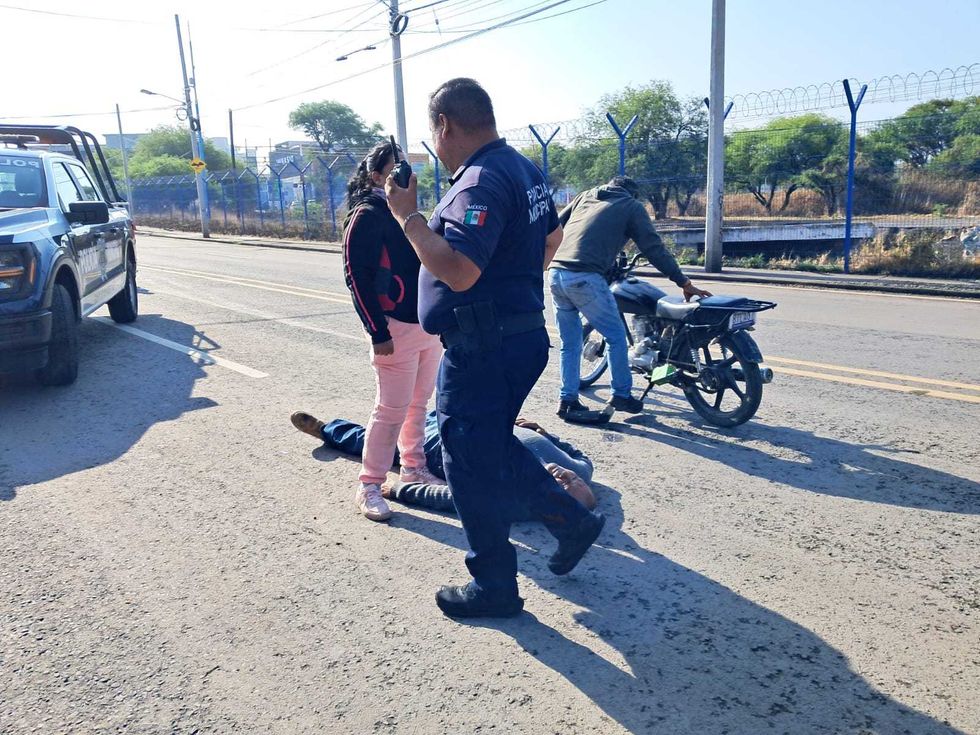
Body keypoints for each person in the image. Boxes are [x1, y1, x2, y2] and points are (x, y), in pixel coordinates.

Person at [384, 78, 605, 619]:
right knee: (485, 447)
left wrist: (408, 217)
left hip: (484, 347)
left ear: (446, 126)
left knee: (466, 460)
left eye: (433, 133)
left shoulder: (477, 183)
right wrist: (514, 288)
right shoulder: (523, 169)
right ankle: (567, 521)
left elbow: (459, 271)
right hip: (517, 336)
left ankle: (496, 586)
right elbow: (550, 242)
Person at [329, 140, 443, 523]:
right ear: (376, 176)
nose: (404, 175)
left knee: (418, 404)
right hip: (393, 327)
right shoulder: (367, 213)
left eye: (406, 169)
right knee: (390, 409)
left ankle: (413, 467)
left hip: (426, 325)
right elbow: (355, 276)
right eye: (396, 169)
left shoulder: (407, 213)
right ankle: (370, 485)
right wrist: (377, 331)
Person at [548, 176, 712, 421]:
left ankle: (568, 399)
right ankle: (621, 394)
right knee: (615, 337)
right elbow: (652, 247)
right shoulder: (631, 206)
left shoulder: (586, 195)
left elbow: (555, 226)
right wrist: (683, 282)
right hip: (585, 276)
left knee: (570, 343)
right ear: (632, 194)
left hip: (556, 274)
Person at [289, 410, 597, 512]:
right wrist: (545, 432)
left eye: (563, 485)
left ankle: (327, 429)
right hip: (470, 418)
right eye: (574, 479)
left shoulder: (514, 492)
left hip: (435, 446)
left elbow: (455, 497)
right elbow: (581, 456)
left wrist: (401, 491)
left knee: (374, 441)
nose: (565, 474)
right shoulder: (581, 469)